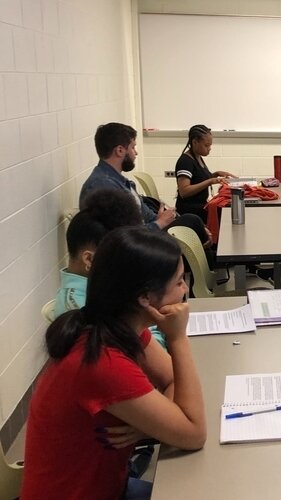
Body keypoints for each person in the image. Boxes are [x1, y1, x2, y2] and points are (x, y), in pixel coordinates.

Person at [22, 226, 206, 499]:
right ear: (144, 297)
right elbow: (193, 432)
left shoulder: (116, 325)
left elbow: (171, 380)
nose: (185, 289)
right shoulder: (101, 361)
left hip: (110, 487)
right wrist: (178, 338)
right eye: (179, 281)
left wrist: (148, 425)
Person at [54, 189, 169, 349]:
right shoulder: (79, 310)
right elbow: (143, 350)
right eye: (121, 256)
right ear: (89, 259)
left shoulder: (104, 285)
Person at [79, 122, 212, 247]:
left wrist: (160, 218)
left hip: (144, 234)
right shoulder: (103, 186)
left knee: (192, 222)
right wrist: (159, 223)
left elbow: (145, 214)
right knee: (192, 222)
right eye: (133, 147)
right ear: (120, 150)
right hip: (136, 247)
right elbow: (123, 237)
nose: (136, 153)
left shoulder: (118, 181)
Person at [175, 124, 236, 223]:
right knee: (224, 214)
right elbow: (184, 192)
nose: (209, 148)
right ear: (195, 142)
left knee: (225, 209)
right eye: (206, 145)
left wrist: (215, 174)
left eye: (210, 145)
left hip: (200, 206)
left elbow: (198, 179)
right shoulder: (185, 162)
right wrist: (210, 181)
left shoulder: (197, 157)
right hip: (190, 210)